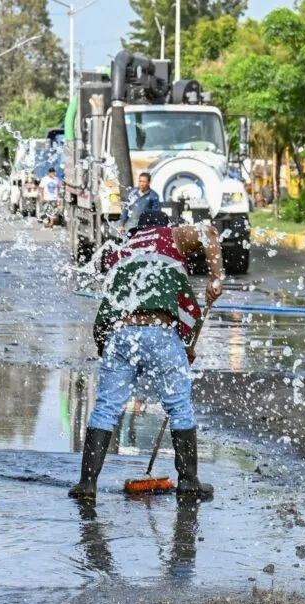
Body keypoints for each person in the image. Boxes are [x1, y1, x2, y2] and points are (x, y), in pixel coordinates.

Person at [69, 209, 223, 501]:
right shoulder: (171, 237)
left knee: (105, 408)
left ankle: (86, 485)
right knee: (179, 407)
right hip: (159, 332)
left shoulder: (122, 250)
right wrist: (216, 278)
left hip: (119, 335)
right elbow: (209, 232)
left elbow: (108, 311)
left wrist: (108, 350)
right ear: (165, 227)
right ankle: (189, 482)